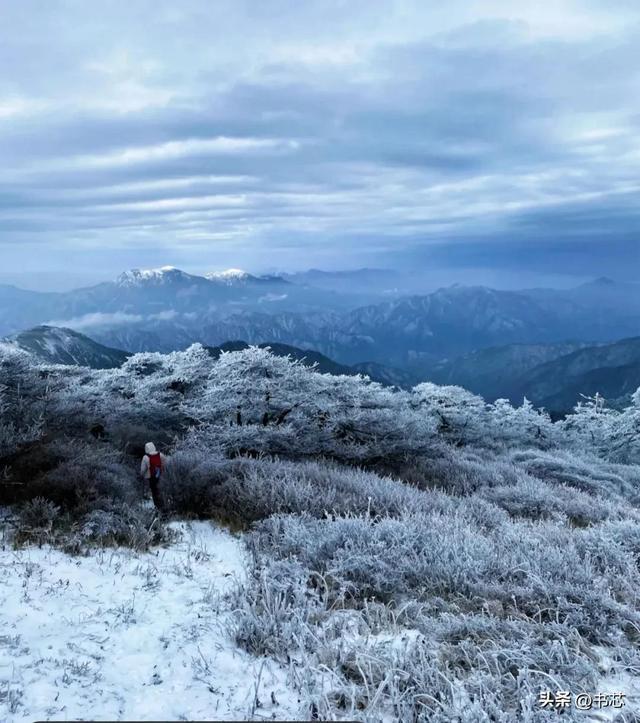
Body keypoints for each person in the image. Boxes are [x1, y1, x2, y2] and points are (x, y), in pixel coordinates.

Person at [140, 442, 167, 511]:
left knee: (154, 492)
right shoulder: (160, 455)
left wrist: (141, 475)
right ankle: (163, 506)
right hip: (160, 476)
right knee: (160, 491)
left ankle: (157, 507)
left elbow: (143, 470)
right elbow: (165, 464)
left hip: (150, 477)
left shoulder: (145, 457)